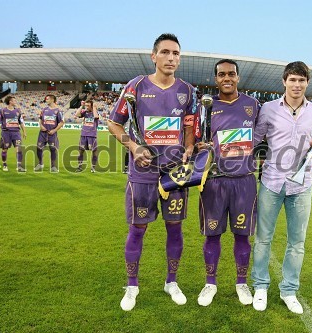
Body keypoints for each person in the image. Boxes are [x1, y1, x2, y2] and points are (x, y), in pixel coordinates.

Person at [108, 33, 196, 311]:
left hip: (174, 174)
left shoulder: (188, 91)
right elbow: (114, 124)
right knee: (138, 228)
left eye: (176, 54)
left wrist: (190, 147)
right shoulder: (135, 86)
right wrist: (133, 147)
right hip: (143, 173)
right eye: (166, 52)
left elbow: (190, 126)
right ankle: (132, 285)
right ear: (154, 56)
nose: (171, 58)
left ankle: (171, 281)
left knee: (175, 227)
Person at [252, 61, 312, 314]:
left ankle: (289, 290)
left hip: (302, 185)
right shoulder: (269, 109)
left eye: (301, 80)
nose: (297, 85)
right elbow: (256, 137)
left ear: (307, 83)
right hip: (272, 182)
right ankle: (260, 286)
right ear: (284, 81)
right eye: (292, 80)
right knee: (263, 238)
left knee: (297, 242)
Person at [196, 59, 260, 307]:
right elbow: (195, 140)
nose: (227, 78)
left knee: (242, 236)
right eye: (222, 74)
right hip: (214, 181)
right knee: (212, 235)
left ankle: (241, 283)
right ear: (215, 79)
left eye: (231, 74)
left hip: (244, 182)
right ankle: (210, 283)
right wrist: (198, 148)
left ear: (238, 77)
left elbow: (266, 136)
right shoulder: (206, 106)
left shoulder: (253, 105)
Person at [34, 94, 64, 172]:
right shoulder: (44, 110)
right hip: (42, 133)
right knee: (39, 148)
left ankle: (53, 166)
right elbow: (40, 119)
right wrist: (40, 125)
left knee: (53, 149)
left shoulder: (58, 111)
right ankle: (40, 164)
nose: (46, 100)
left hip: (52, 134)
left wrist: (54, 130)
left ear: (52, 100)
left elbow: (61, 122)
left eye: (47, 99)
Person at [0, 95, 27, 172]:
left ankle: (19, 165)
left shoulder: (18, 111)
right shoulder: (2, 111)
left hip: (16, 133)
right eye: (14, 100)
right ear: (10, 102)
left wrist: (24, 131)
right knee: (5, 149)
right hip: (6, 133)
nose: (15, 101)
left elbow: (21, 122)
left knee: (19, 149)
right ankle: (4, 164)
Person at [75, 100, 99, 173]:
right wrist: (81, 106)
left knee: (94, 151)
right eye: (86, 105)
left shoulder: (95, 113)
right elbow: (77, 114)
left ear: (91, 106)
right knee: (80, 151)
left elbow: (96, 116)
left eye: (88, 106)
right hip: (83, 134)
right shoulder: (85, 113)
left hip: (92, 135)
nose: (87, 107)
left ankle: (93, 167)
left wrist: (94, 108)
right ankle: (80, 166)